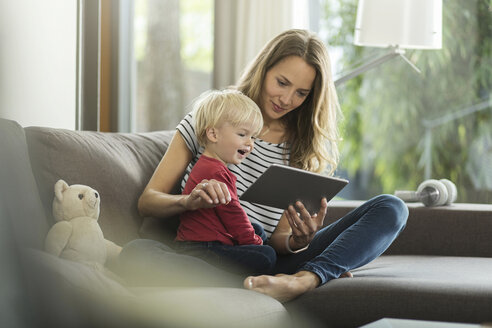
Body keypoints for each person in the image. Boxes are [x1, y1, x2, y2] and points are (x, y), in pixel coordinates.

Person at [131, 29, 408, 302]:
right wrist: (188, 202)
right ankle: (305, 275)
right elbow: (148, 202)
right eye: (282, 83)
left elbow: (278, 241)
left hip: (263, 257)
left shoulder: (303, 148)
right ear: (263, 70)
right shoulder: (211, 117)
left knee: (391, 208)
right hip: (207, 252)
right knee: (140, 251)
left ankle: (305, 279)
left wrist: (298, 241)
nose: (286, 100)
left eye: (301, 93)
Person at [174, 89, 276, 275]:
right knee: (267, 255)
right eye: (243, 134)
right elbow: (234, 214)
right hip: (201, 248)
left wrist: (254, 237)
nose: (250, 143)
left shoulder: (214, 166)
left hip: (209, 242)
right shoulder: (214, 171)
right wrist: (254, 244)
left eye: (253, 137)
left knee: (257, 229)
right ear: (213, 134)